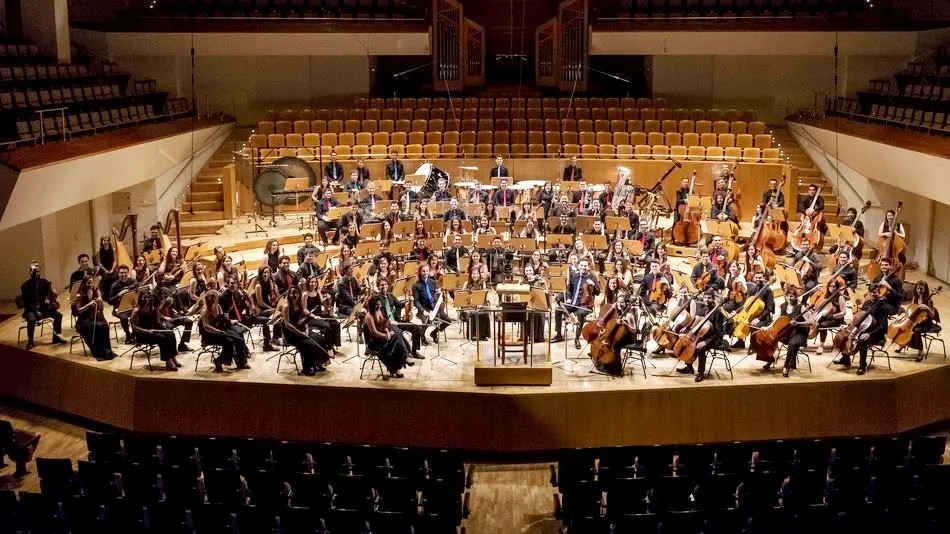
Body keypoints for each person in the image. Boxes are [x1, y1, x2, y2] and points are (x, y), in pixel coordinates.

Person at [676, 290, 726, 382]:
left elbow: (719, 332)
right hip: (702, 335)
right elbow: (697, 323)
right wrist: (687, 331)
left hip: (714, 338)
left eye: (709, 298)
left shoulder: (717, 313)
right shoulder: (704, 309)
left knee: (700, 348)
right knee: (687, 342)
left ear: (713, 299)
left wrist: (706, 342)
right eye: (705, 297)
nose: (707, 300)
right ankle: (689, 368)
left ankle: (701, 373)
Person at [282, 286, 330, 376]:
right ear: (289, 294)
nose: (294, 295)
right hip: (291, 333)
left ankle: (318, 363)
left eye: (296, 293)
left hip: (301, 329)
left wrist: (307, 330)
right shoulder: (287, 306)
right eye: (292, 293)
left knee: (319, 338)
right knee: (309, 344)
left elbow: (304, 319)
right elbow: (287, 324)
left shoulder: (299, 304)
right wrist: (301, 333)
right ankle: (308, 368)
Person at [199, 290, 250, 372]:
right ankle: (219, 361)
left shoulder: (218, 306)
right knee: (229, 341)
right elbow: (206, 326)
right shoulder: (205, 311)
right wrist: (218, 331)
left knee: (239, 338)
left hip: (219, 331)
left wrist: (231, 321)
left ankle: (241, 363)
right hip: (210, 334)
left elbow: (223, 319)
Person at [553, 259, 599, 349]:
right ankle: (558, 334)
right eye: (581, 265)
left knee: (581, 314)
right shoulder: (575, 276)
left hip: (585, 305)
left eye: (585, 266)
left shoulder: (592, 277)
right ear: (578, 266)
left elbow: (597, 292)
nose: (583, 267)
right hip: (573, 303)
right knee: (558, 310)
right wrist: (569, 298)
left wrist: (593, 285)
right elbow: (569, 289)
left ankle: (577, 338)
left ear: (588, 267)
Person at [130, 291, 180, 371]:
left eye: (148, 298)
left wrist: (163, 328)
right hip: (142, 334)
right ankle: (168, 361)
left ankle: (173, 358)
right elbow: (134, 327)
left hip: (152, 330)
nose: (147, 300)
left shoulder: (153, 307)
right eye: (145, 298)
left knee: (171, 334)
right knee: (162, 338)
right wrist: (147, 331)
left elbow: (157, 322)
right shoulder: (136, 311)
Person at [363, 295, 411, 379]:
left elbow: (383, 324)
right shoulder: (369, 317)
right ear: (372, 305)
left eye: (380, 304)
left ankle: (397, 367)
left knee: (396, 336)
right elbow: (374, 333)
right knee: (396, 338)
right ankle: (403, 359)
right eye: (376, 305)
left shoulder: (378, 311)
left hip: (381, 335)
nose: (379, 306)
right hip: (374, 341)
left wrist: (388, 332)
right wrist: (386, 336)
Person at [20, 262, 65, 350]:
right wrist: (36, 311)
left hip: (44, 308)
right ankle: (30, 341)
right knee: (32, 319)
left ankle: (56, 337)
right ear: (30, 272)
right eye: (34, 272)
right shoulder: (25, 286)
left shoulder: (44, 282)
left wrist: (48, 297)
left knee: (59, 315)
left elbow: (49, 292)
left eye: (38, 272)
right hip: (31, 309)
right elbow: (26, 302)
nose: (37, 274)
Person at [377, 278, 425, 358]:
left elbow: (398, 304)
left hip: (396, 321)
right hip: (387, 324)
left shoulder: (390, 295)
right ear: (378, 286)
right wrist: (389, 322)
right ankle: (406, 353)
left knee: (416, 328)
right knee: (398, 332)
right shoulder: (377, 299)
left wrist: (407, 301)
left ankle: (414, 351)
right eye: (382, 285)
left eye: (385, 284)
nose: (384, 286)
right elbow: (378, 316)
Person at [897, 281, 941, 362]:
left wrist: (926, 308)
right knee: (906, 327)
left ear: (925, 289)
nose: (919, 290)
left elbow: (932, 315)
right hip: (916, 321)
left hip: (926, 323)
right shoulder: (915, 298)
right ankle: (903, 344)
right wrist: (906, 317)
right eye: (918, 288)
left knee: (915, 331)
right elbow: (912, 308)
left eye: (921, 288)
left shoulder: (929, 301)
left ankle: (920, 351)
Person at [72, 276, 114, 360]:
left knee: (105, 325)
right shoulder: (80, 295)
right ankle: (98, 351)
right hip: (83, 319)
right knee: (97, 327)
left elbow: (101, 307)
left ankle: (106, 349)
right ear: (84, 284)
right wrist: (89, 305)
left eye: (92, 282)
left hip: (95, 315)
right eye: (88, 283)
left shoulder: (96, 291)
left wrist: (100, 301)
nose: (90, 284)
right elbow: (79, 311)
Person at [774, 288, 809, 377]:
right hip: (786, 333)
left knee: (792, 343)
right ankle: (769, 360)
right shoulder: (782, 306)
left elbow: (811, 322)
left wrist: (798, 323)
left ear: (796, 297)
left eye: (792, 296)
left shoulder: (801, 307)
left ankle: (786, 366)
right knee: (771, 338)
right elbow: (776, 321)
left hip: (799, 333)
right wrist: (767, 327)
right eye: (787, 296)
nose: (789, 298)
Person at [412, 264, 451, 344]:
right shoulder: (415, 285)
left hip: (434, 307)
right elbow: (416, 301)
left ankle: (434, 333)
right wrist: (423, 311)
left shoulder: (433, 282)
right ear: (420, 272)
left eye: (427, 271)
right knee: (427, 321)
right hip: (424, 308)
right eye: (423, 271)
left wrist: (439, 293)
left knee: (448, 320)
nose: (425, 273)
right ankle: (422, 336)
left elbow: (438, 295)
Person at [811, 277, 848, 355]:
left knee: (822, 325)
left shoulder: (840, 297)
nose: (833, 288)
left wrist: (833, 316)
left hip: (836, 319)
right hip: (827, 317)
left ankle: (821, 345)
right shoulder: (827, 296)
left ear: (837, 287)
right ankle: (805, 340)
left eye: (834, 286)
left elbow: (843, 312)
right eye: (831, 286)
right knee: (816, 321)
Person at [251, 266, 281, 352]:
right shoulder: (258, 285)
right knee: (267, 319)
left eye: (268, 272)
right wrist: (271, 308)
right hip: (259, 309)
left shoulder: (270, 283)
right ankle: (267, 344)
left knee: (280, 314)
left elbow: (274, 297)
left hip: (267, 306)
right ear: (260, 274)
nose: (266, 274)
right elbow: (260, 302)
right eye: (264, 273)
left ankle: (276, 337)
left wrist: (275, 290)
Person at [108, 265, 138, 343]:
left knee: (140, 314)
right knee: (124, 318)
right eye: (121, 273)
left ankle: (135, 334)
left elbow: (137, 285)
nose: (123, 275)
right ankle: (128, 336)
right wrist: (119, 294)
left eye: (125, 273)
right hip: (120, 308)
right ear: (118, 274)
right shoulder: (114, 285)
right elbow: (110, 301)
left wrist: (129, 289)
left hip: (131, 306)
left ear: (128, 273)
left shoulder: (132, 281)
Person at [462, 269, 491, 341]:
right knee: (472, 314)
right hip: (468, 305)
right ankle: (472, 335)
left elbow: (484, 295)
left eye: (477, 274)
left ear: (479, 275)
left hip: (480, 304)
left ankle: (483, 336)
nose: (475, 275)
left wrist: (480, 303)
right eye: (473, 274)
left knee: (485, 313)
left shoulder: (482, 283)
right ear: (470, 275)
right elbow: (462, 296)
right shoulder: (466, 283)